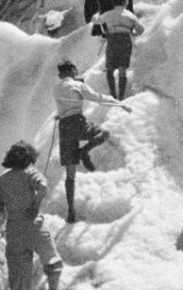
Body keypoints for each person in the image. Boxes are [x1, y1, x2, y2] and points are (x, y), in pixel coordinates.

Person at [0, 140, 63, 290]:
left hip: (14, 232)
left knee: (18, 282)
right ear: (28, 158)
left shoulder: (3, 180)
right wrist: (34, 204)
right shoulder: (29, 172)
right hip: (34, 227)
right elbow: (42, 185)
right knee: (51, 258)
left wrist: (1, 221)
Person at [53, 60, 131, 224]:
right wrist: (119, 104)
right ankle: (84, 151)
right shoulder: (77, 85)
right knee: (102, 133)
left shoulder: (56, 88)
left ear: (60, 75)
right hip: (77, 121)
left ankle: (71, 211)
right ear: (73, 71)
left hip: (64, 127)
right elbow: (98, 98)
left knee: (70, 172)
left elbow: (64, 104)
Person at [94, 0, 144, 100]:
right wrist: (132, 33)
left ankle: (112, 93)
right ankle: (121, 96)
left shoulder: (108, 14)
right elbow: (141, 30)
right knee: (122, 69)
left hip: (112, 39)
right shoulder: (130, 15)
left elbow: (96, 20)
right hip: (125, 40)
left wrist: (98, 13)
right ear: (125, 1)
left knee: (110, 69)